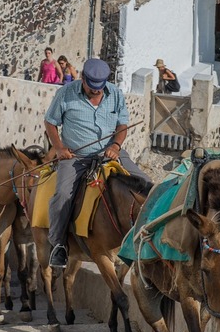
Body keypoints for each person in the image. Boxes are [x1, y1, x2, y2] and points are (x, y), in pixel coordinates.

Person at [44, 58, 152, 267]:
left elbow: (122, 125)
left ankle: (151, 240)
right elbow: (50, 122)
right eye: (91, 88)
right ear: (82, 78)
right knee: (62, 197)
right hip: (76, 157)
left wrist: (116, 146)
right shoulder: (65, 93)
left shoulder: (116, 95)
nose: (95, 92)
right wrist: (58, 148)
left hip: (110, 153)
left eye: (99, 89)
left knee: (147, 185)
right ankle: (58, 245)